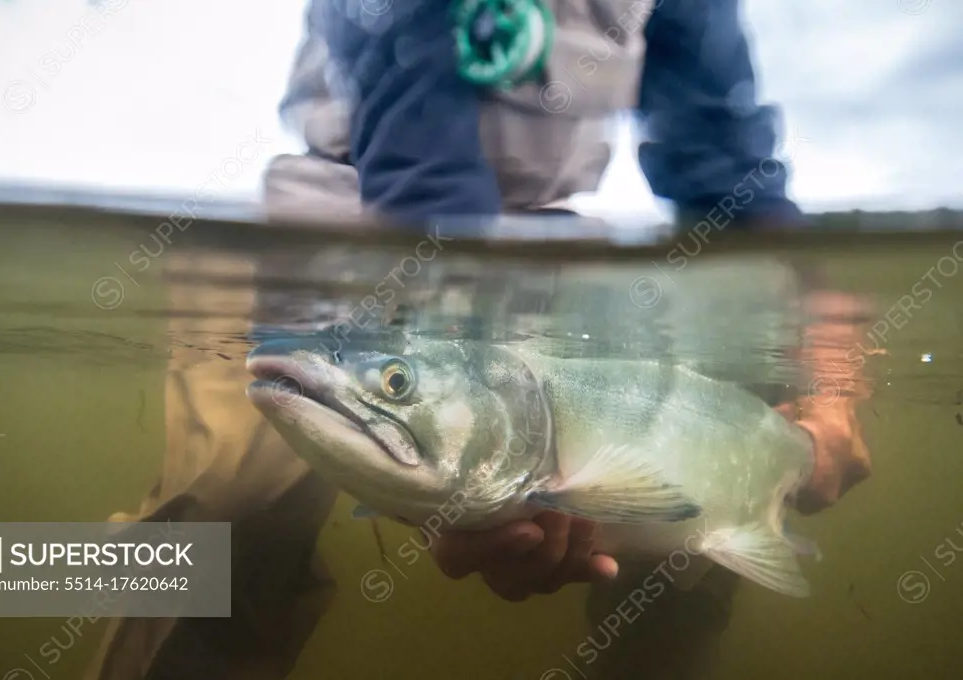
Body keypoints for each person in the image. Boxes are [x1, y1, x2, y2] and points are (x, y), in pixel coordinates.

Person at [86, 1, 874, 678]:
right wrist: (465, 483)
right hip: (332, 224)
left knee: (701, 518)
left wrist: (828, 377)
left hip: (546, 248)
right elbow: (419, 134)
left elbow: (727, 169)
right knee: (225, 522)